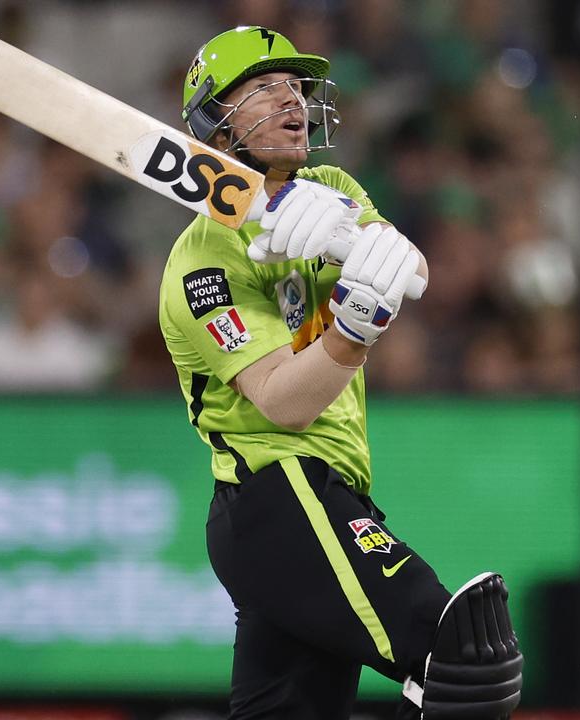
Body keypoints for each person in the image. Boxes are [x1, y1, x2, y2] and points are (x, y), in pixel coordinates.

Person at [158, 26, 522, 720]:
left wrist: (355, 241)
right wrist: (354, 326)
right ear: (214, 120)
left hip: (328, 493)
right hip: (279, 493)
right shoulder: (202, 260)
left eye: (296, 87)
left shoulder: (332, 187)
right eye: (264, 88)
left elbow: (412, 272)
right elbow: (282, 402)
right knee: (466, 662)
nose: (292, 100)